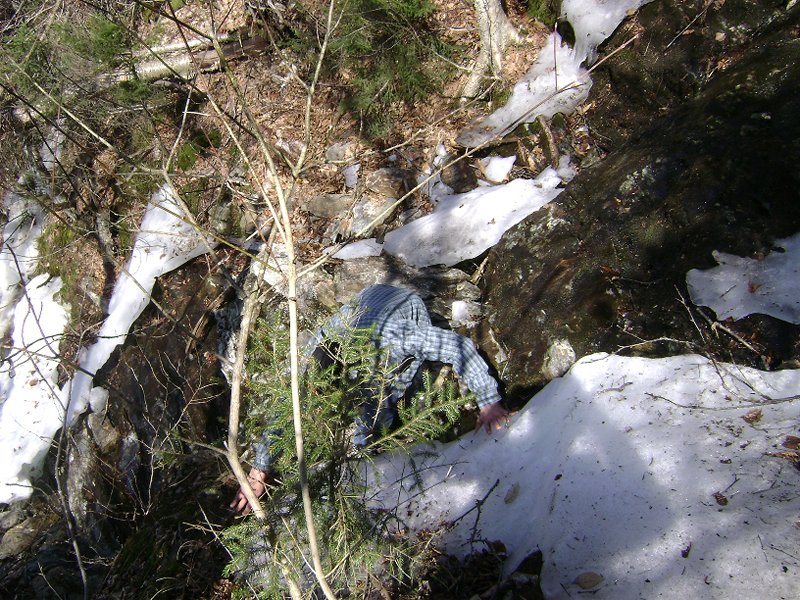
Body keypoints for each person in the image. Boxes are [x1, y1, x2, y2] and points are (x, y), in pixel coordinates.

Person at [231, 284, 508, 513]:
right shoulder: (319, 350)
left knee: (383, 404)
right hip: (365, 300)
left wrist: (488, 401)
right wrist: (259, 468)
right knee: (359, 409)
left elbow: (456, 345)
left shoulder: (395, 338)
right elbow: (287, 408)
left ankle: (377, 437)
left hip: (402, 306)